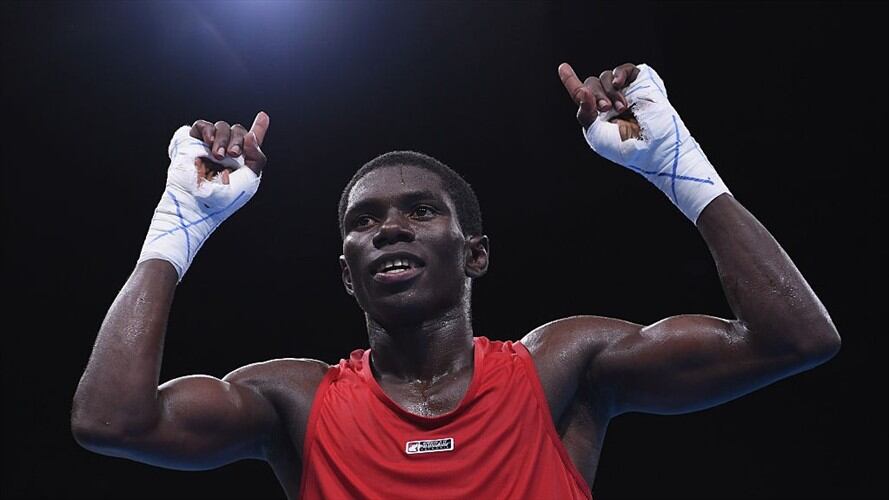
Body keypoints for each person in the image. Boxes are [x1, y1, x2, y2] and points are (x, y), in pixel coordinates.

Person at [71, 62, 841, 499]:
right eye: (364, 221)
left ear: (474, 253)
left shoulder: (559, 370)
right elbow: (110, 422)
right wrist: (181, 224)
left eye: (417, 212)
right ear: (348, 273)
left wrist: (675, 167)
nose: (389, 229)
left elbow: (795, 340)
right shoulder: (295, 401)